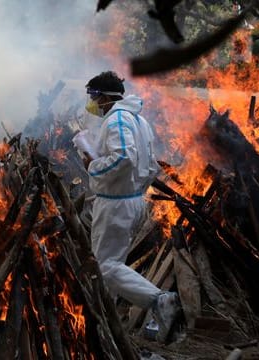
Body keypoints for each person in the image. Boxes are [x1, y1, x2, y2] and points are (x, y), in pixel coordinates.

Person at [81, 71, 179, 342]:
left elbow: (123, 157)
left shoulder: (117, 119)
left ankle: (159, 300)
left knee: (106, 266)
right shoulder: (137, 119)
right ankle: (105, 324)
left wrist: (93, 166)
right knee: (114, 264)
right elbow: (148, 165)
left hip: (115, 204)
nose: (91, 103)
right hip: (131, 200)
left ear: (103, 96)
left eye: (93, 96)